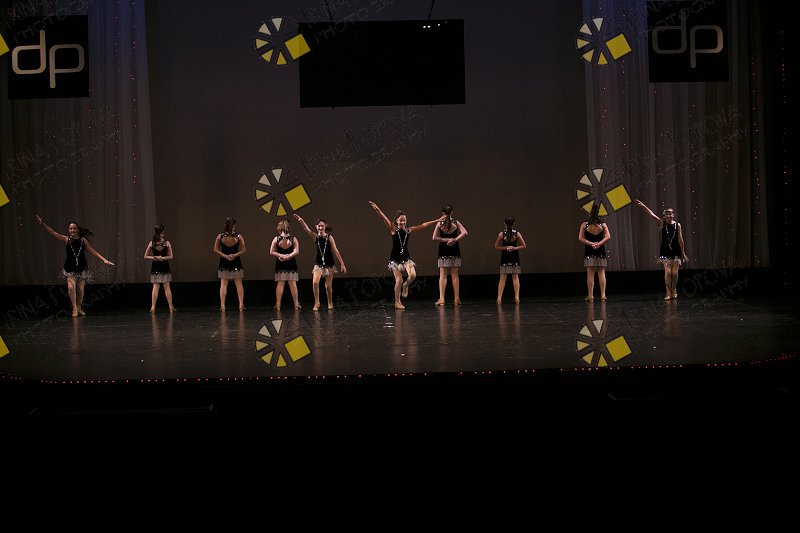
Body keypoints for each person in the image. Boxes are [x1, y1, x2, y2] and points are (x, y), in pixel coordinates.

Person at [35, 214, 115, 317]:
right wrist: (43, 224)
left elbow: (93, 251)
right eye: (70, 229)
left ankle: (79, 307)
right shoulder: (66, 239)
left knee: (80, 291)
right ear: (68, 230)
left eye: (74, 228)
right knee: (71, 288)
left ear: (78, 230)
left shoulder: (83, 240)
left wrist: (104, 260)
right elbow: (53, 233)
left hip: (82, 268)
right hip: (70, 267)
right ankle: (74, 308)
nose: (72, 230)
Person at [369, 201, 444, 309]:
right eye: (401, 220)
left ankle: (405, 285)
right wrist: (377, 209)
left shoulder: (409, 230)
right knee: (399, 280)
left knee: (413, 275)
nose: (403, 222)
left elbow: (423, 225)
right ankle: (397, 302)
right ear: (397, 221)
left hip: (405, 257)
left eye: (404, 220)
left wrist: (437, 220)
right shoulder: (393, 230)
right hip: (395, 259)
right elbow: (384, 218)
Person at [635, 200, 689, 299]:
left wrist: (683, 253)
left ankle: (674, 289)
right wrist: (643, 206)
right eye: (666, 214)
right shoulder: (662, 223)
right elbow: (652, 215)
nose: (668, 216)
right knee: (668, 272)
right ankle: (668, 292)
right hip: (665, 251)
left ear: (673, 215)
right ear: (664, 216)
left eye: (670, 214)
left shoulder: (678, 225)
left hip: (676, 251)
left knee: (674, 273)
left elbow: (680, 240)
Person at [293, 214, 347, 311]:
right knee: (315, 282)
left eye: (322, 226)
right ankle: (317, 302)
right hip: (318, 263)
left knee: (328, 286)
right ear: (316, 227)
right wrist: (301, 220)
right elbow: (307, 230)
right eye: (319, 226)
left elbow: (336, 251)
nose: (320, 228)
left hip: (329, 264)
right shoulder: (316, 237)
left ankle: (330, 302)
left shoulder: (329, 237)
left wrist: (342, 263)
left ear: (325, 226)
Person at [432, 204, 468, 305]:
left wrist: (445, 239)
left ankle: (442, 299)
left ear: (442, 213)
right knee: (455, 275)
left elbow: (434, 237)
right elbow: (465, 232)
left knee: (443, 275)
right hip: (454, 249)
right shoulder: (456, 222)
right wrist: (454, 240)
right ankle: (456, 298)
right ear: (452, 212)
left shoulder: (439, 223)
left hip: (443, 250)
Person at [578, 204, 611, 302]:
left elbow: (580, 238)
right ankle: (603, 295)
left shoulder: (585, 225)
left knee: (590, 272)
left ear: (589, 213)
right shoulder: (603, 225)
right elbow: (608, 237)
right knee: (601, 271)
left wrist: (591, 244)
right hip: (600, 250)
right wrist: (599, 244)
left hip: (589, 251)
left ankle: (590, 295)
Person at [213, 217, 246, 311]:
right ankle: (241, 305)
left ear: (225, 225)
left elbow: (215, 249)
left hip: (224, 261)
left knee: (223, 284)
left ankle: (222, 305)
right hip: (236, 261)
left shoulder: (220, 236)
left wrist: (225, 256)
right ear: (234, 225)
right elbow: (243, 250)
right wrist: (234, 255)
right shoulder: (238, 236)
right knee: (238, 283)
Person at [270, 218, 301, 310]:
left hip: (281, 262)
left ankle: (278, 304)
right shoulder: (293, 239)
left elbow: (271, 252)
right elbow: (296, 251)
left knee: (280, 283)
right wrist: (288, 256)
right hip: (291, 262)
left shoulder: (276, 239)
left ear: (280, 227)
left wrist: (282, 256)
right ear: (289, 227)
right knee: (292, 283)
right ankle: (296, 304)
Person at [143, 224, 175, 313]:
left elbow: (145, 256)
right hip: (163, 265)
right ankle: (170, 307)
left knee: (156, 286)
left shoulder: (152, 243)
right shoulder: (166, 243)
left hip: (156, 265)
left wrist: (155, 257)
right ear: (162, 232)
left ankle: (153, 307)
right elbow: (171, 256)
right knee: (166, 286)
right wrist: (162, 258)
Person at [494, 216, 526, 304]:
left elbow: (496, 246)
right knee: (515, 277)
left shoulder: (501, 234)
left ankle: (499, 298)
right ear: (514, 223)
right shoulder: (517, 234)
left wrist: (506, 247)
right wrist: (514, 248)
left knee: (502, 277)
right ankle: (517, 298)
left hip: (505, 257)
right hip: (514, 256)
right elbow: (524, 245)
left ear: (504, 223)